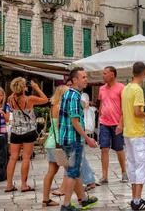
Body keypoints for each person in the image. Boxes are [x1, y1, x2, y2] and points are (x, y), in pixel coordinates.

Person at [58, 68, 99, 211]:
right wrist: (87, 138)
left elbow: (61, 118)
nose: (86, 79)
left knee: (74, 170)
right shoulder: (75, 97)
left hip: (65, 139)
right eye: (83, 77)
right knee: (72, 172)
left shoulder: (65, 94)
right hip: (73, 139)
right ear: (75, 80)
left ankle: (84, 199)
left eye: (86, 77)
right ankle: (66, 204)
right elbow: (75, 121)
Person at [122, 62, 145, 210]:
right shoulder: (137, 90)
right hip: (137, 132)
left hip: (128, 132)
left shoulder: (125, 89)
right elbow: (137, 113)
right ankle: (137, 201)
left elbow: (126, 111)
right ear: (144, 73)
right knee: (141, 166)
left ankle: (135, 198)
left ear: (132, 71)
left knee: (132, 165)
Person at [5, 77, 48, 192]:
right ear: (23, 87)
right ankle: (24, 184)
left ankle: (9, 185)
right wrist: (37, 88)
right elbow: (45, 99)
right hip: (28, 131)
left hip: (15, 131)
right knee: (26, 158)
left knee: (13, 158)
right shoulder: (30, 99)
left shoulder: (10, 99)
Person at [97, 66, 128, 185]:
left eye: (105, 73)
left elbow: (125, 108)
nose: (102, 75)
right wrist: (100, 115)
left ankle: (124, 171)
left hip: (116, 123)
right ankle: (104, 176)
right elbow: (102, 104)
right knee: (104, 148)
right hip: (104, 122)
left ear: (112, 75)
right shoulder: (101, 89)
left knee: (119, 149)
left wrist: (121, 123)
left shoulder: (121, 88)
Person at [42, 85, 70, 207]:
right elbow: (60, 126)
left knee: (51, 171)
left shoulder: (53, 106)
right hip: (59, 143)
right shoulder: (60, 108)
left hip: (51, 142)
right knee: (71, 171)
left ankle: (45, 199)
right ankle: (78, 198)